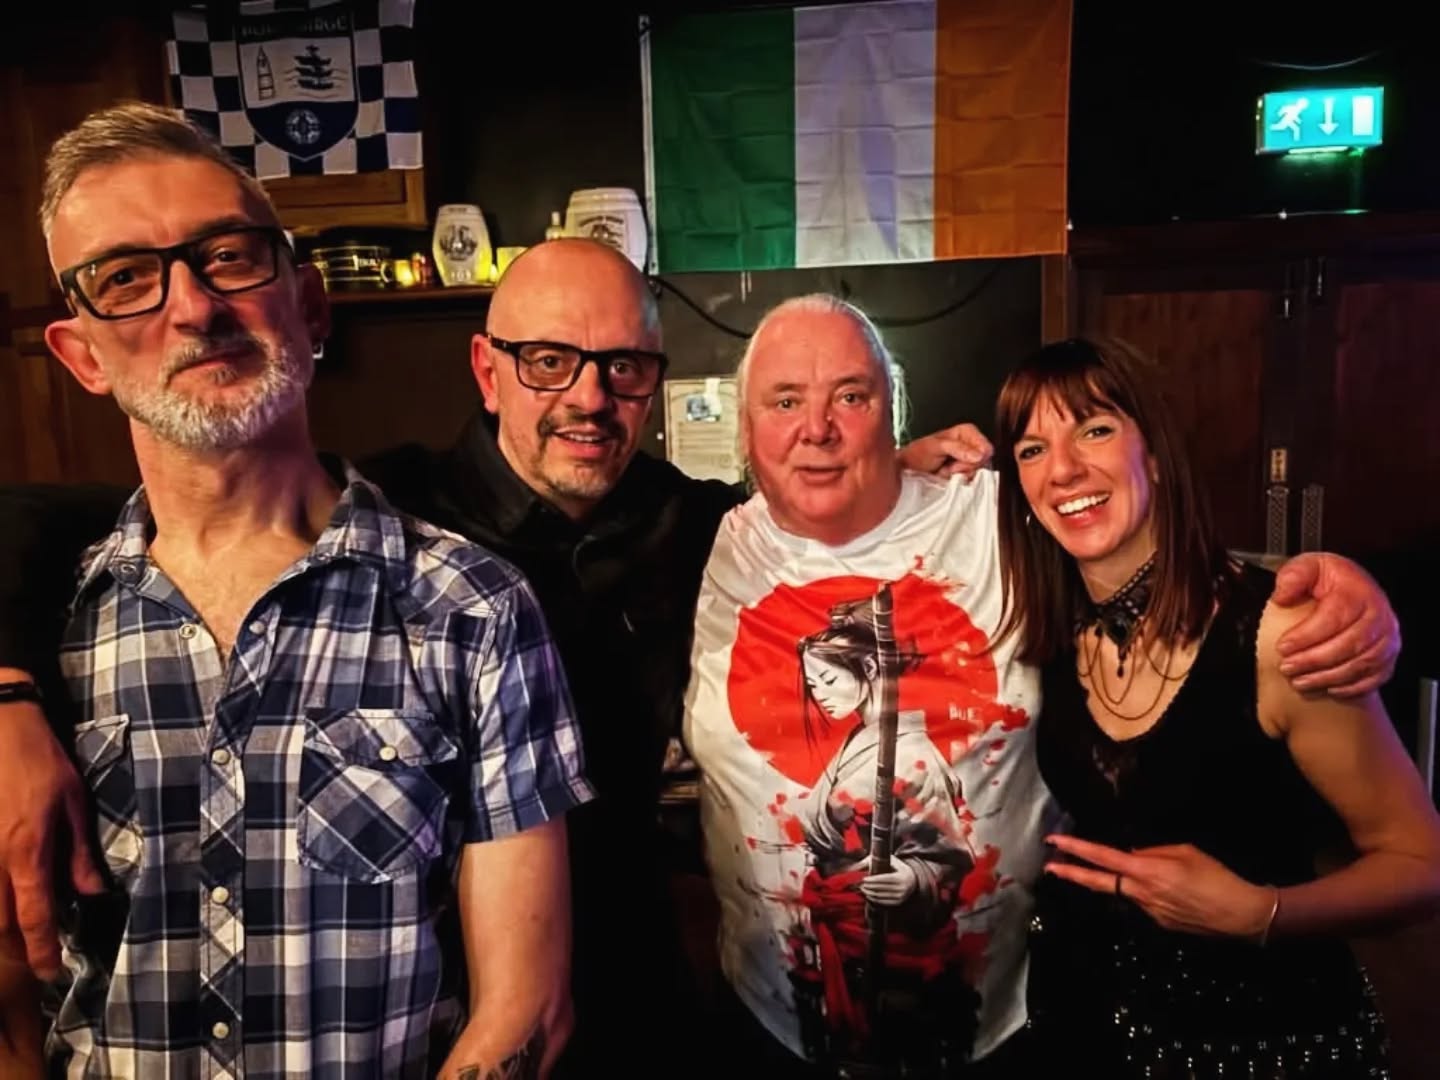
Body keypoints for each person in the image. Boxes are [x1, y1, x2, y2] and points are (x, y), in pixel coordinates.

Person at [0, 209, 993, 1073]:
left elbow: (802, 511)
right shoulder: (379, 508)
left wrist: (881, 468)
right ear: (488, 368)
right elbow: (33, 526)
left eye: (624, 369)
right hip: (436, 1000)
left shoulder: (692, 524)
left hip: (641, 981)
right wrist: (6, 696)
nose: (590, 399)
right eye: (550, 361)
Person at [0, 102, 589, 1078]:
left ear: (309, 307)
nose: (192, 307)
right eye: (126, 280)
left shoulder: (472, 608)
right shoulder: (42, 625)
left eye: (228, 255)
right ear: (81, 354)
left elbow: (524, 1008)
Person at [680, 294, 1405, 1078]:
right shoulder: (704, 541)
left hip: (1002, 1026)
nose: (816, 427)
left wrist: (1336, 585)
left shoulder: (999, 520)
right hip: (770, 1026)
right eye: (785, 401)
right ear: (746, 424)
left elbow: (1141, 552)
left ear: (889, 416)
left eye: (851, 397)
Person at [992, 337, 1440, 1078]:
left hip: (1259, 1042)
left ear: (1157, 455)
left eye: (1095, 429)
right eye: (1033, 448)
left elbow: (1422, 864)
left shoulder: (1280, 636)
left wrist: (1261, 913)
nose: (1064, 468)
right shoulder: (1058, 631)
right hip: (1086, 1023)